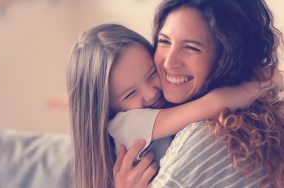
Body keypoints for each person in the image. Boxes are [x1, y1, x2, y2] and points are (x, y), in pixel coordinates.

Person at [66, 23, 277, 188]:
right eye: (130, 93)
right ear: (106, 108)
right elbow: (214, 103)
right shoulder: (125, 124)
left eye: (151, 74)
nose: (150, 93)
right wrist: (272, 81)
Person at [114, 0, 284, 187]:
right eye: (164, 41)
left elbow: (215, 102)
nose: (169, 63)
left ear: (226, 58)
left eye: (191, 48)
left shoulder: (201, 140)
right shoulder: (261, 117)